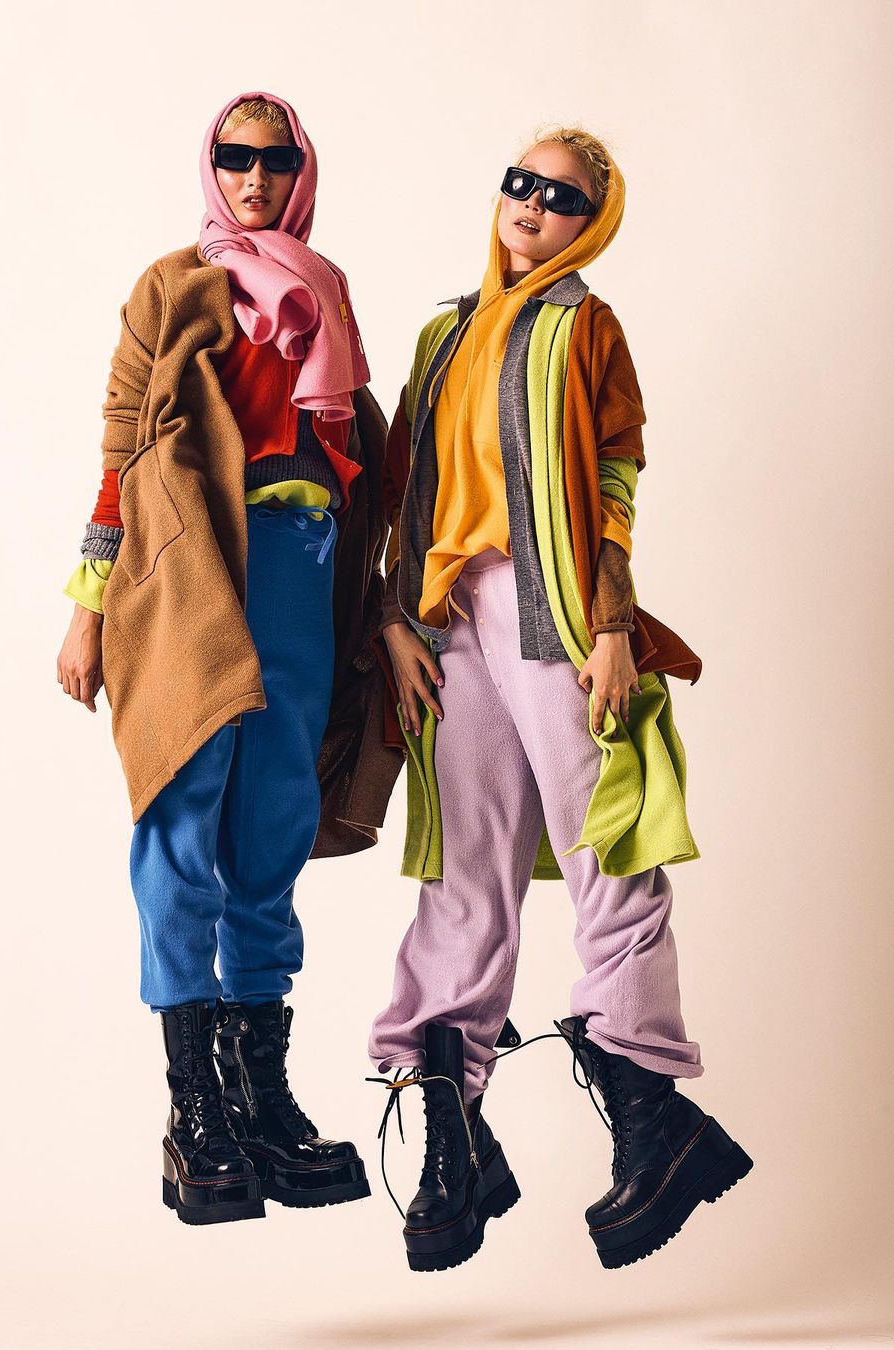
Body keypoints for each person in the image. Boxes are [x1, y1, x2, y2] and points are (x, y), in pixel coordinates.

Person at [368, 126, 751, 1272]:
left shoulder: (587, 327)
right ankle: (456, 1138)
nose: (533, 204)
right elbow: (401, 492)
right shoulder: (443, 333)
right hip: (444, 628)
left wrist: (615, 623)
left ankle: (655, 1121)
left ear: (594, 223)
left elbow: (617, 479)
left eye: (564, 197)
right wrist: (392, 622)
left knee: (606, 843)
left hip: (555, 613)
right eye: (521, 182)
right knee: (462, 873)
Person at [56, 92, 401, 1226]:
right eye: (236, 157)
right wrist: (88, 606)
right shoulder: (171, 285)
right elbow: (122, 450)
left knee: (274, 818)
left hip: (302, 566)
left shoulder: (327, 287)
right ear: (213, 168)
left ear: (302, 169)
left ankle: (261, 1099)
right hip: (191, 569)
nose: (256, 178)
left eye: (277, 158)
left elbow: (351, 444)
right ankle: (193, 1108)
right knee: (182, 802)